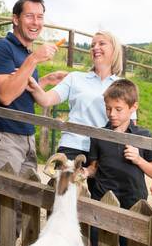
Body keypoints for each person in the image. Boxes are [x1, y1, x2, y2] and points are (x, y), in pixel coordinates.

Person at [80, 79, 152, 246]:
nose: (112, 114)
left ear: (133, 107)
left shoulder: (144, 136)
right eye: (108, 109)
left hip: (133, 204)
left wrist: (138, 158)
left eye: (118, 109)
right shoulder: (100, 135)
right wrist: (84, 172)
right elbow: (94, 167)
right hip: (102, 202)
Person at [0, 0, 66, 176]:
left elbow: (21, 95)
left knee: (22, 201)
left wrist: (46, 81)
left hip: (27, 136)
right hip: (4, 137)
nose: (35, 22)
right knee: (3, 199)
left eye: (40, 17)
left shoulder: (25, 53)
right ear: (15, 19)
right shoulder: (2, 48)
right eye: (29, 16)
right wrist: (34, 58)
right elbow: (6, 96)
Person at [26, 31, 137, 163]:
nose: (95, 47)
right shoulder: (75, 77)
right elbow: (46, 100)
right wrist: (31, 82)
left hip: (105, 151)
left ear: (114, 50)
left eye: (101, 43)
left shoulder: (124, 86)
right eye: (93, 45)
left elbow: (131, 126)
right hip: (72, 146)